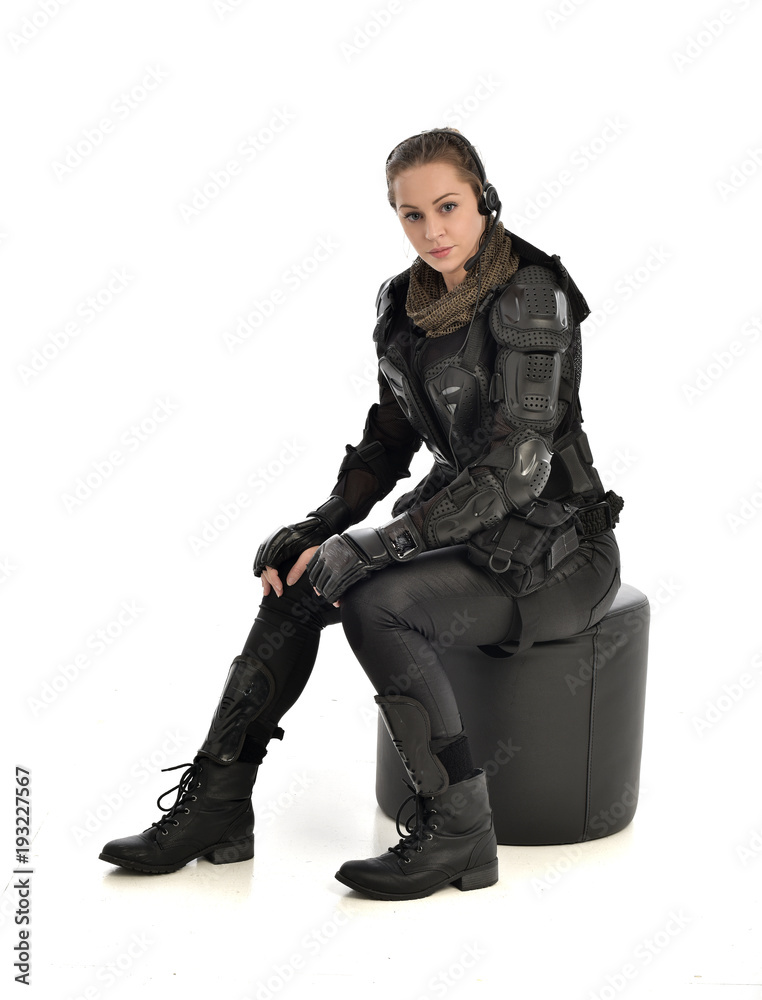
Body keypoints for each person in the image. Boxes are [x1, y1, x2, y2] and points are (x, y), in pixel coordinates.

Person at [99, 127, 623, 902]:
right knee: (301, 578)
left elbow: (519, 466)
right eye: (411, 215)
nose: (432, 230)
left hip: (555, 549)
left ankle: (459, 832)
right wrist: (319, 526)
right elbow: (389, 439)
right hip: (462, 523)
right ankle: (217, 803)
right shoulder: (404, 302)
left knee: (376, 599)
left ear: (482, 197)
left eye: (447, 206)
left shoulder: (530, 293)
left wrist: (381, 545)